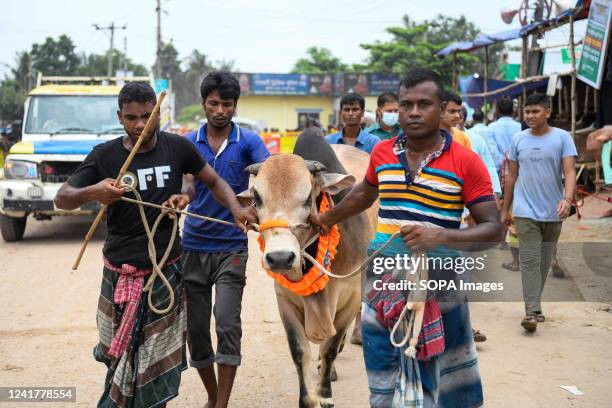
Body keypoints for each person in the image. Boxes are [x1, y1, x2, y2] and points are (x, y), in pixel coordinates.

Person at [54, 81, 256, 408]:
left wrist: (236, 210)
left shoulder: (177, 148)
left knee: (156, 369)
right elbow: (62, 198)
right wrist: (95, 192)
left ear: (159, 113)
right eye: (131, 117)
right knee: (117, 357)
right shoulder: (105, 156)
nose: (139, 125)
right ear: (119, 117)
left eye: (147, 116)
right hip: (120, 273)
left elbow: (214, 181)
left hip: (165, 273)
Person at [312, 67, 502, 407]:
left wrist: (440, 235)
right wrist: (323, 219)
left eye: (424, 104)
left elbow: (493, 229)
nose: (414, 112)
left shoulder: (466, 162)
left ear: (442, 109)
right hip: (382, 281)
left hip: (439, 283)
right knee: (382, 372)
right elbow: (363, 194)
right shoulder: (383, 153)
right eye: (406, 104)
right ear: (396, 108)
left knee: (439, 374)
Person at [181, 72, 270, 408]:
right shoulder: (189, 142)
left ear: (235, 106)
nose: (220, 110)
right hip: (193, 245)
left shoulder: (248, 142)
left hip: (232, 245)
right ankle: (212, 393)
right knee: (197, 330)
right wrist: (181, 197)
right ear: (204, 104)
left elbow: (267, 180)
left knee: (228, 321)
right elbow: (187, 184)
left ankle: (221, 404)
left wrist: (256, 211)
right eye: (214, 103)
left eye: (227, 104)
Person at [501, 93, 577, 333]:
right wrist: (506, 208)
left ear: (548, 112)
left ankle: (534, 303)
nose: (530, 116)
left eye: (535, 111)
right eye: (527, 112)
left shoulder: (562, 138)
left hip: (554, 210)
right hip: (525, 210)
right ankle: (532, 311)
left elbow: (570, 171)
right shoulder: (518, 140)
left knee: (544, 261)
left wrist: (567, 199)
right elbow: (511, 176)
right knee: (531, 259)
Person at [465, 109, 502, 196]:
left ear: (473, 119)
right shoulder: (489, 129)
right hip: (492, 163)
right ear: (483, 118)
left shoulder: (470, 132)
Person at [487, 98, 522, 173]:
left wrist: (505, 164)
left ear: (498, 111)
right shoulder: (520, 126)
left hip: (500, 170)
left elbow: (493, 151)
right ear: (513, 110)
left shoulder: (491, 127)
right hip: (518, 168)